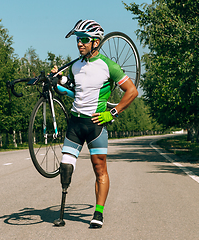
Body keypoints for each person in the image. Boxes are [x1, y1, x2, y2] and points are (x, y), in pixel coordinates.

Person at [52, 19, 138, 228]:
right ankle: (61, 213)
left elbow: (132, 91)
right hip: (75, 123)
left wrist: (113, 113)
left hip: (95, 125)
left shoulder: (109, 66)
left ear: (96, 42)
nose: (80, 44)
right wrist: (58, 83)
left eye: (84, 40)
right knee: (65, 167)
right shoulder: (75, 66)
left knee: (99, 170)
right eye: (78, 40)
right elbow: (75, 92)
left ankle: (98, 212)